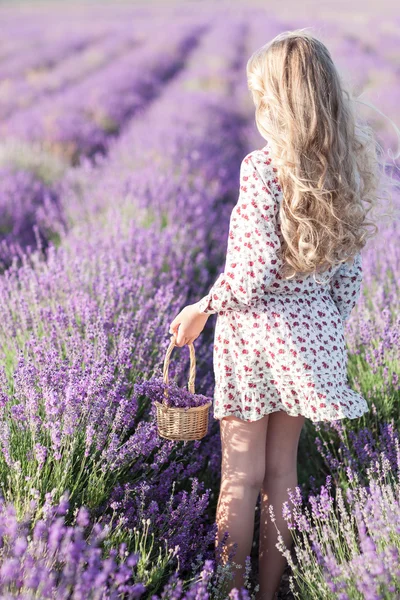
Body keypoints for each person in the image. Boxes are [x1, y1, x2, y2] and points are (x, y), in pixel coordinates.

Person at [169, 29, 386, 600]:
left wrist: (201, 308)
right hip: (311, 337)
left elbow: (251, 272)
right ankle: (269, 593)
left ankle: (229, 592)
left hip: (255, 340)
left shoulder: (263, 168)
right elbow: (346, 274)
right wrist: (323, 330)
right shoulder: (344, 169)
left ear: (279, 101)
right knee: (283, 475)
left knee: (240, 478)